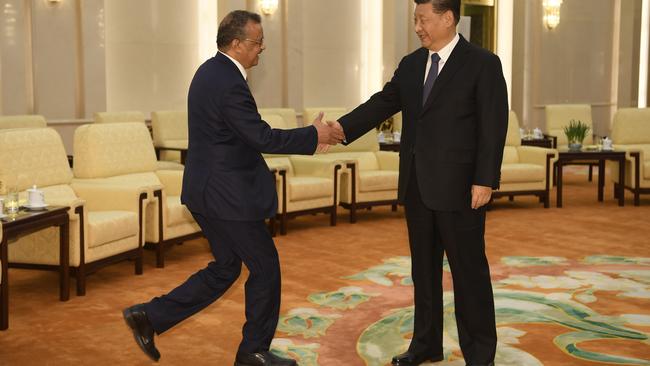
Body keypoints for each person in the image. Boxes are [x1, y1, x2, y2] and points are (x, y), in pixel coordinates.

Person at [121, 10, 344, 366]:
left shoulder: (213, 72)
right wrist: (312, 135)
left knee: (226, 268)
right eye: (257, 43)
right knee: (266, 267)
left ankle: (149, 316)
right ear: (237, 44)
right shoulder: (227, 81)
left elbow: (242, 136)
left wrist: (309, 137)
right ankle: (253, 353)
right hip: (226, 196)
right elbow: (259, 135)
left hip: (210, 192)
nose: (262, 49)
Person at [333, 1, 508, 365]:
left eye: (422, 19)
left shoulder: (482, 63)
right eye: (415, 19)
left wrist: (485, 180)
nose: (417, 27)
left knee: (469, 274)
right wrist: (340, 129)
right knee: (423, 272)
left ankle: (480, 355)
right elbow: (382, 103)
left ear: (447, 18)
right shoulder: (412, 64)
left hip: (462, 189)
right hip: (417, 186)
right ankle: (426, 344)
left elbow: (494, 126)